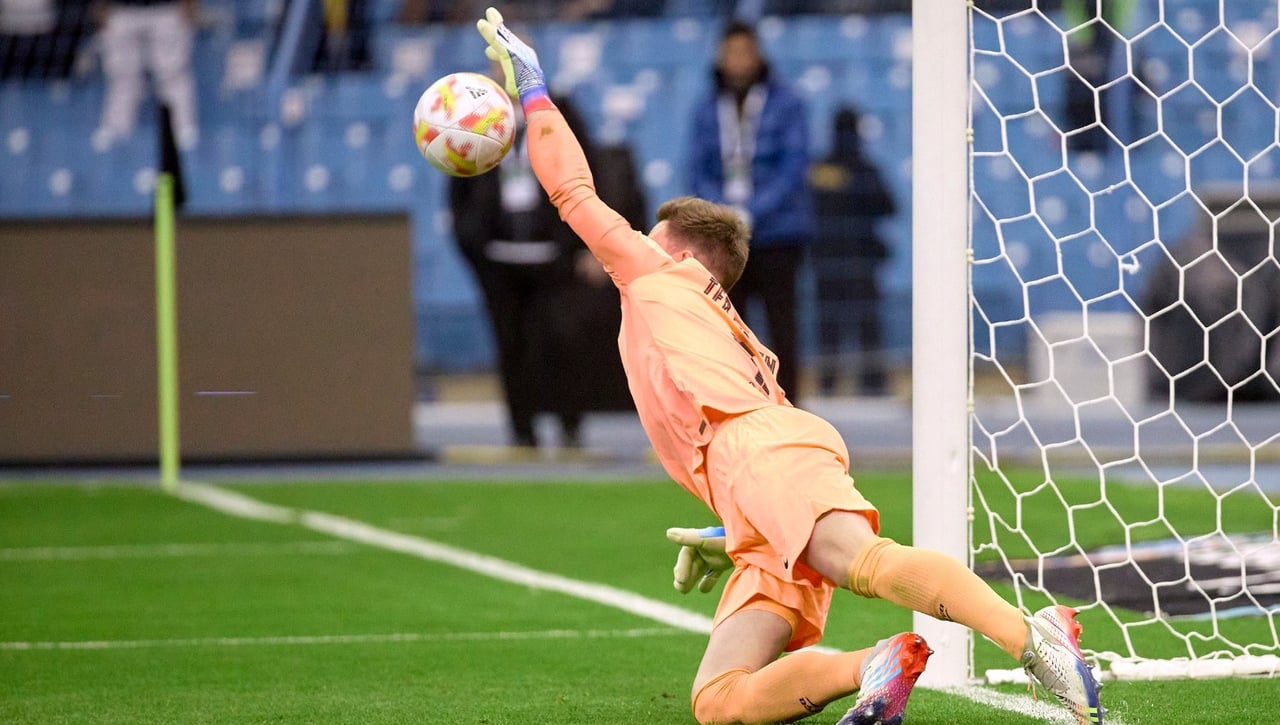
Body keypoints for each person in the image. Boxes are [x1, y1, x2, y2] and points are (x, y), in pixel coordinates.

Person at [476, 7, 1104, 725]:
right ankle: (871, 666)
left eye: (650, 236)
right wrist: (731, 528)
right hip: (760, 478)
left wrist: (533, 91)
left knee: (868, 562)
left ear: (679, 252)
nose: (632, 248)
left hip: (761, 455)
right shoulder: (726, 328)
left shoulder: (658, 275)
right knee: (718, 701)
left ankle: (1032, 638)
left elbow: (571, 191)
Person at [448, 74, 597, 450]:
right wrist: (474, 244)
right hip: (498, 257)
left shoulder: (556, 111)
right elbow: (458, 179)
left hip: (552, 254)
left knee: (561, 342)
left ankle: (570, 426)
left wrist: (584, 242)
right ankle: (522, 430)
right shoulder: (475, 114)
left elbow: (585, 167)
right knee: (510, 344)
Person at [686, 20, 814, 404]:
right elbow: (696, 168)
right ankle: (739, 406)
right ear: (720, 59)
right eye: (732, 53)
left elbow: (794, 166)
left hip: (778, 235)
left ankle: (789, 411)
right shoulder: (707, 108)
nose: (739, 61)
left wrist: (754, 212)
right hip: (726, 241)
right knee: (729, 331)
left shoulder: (787, 103)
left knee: (782, 328)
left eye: (746, 52)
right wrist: (725, 216)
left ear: (758, 55)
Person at [808, 106, 895, 397]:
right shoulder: (863, 169)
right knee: (844, 324)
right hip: (849, 260)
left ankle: (837, 383)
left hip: (842, 260)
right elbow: (888, 206)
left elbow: (889, 206)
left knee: (841, 325)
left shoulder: (823, 170)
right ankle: (864, 383)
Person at [94, 0, 199, 151]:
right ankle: (116, 128)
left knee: (173, 73)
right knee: (121, 75)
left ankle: (182, 127)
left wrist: (190, 5)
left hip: (167, 9)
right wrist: (102, 8)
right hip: (121, 10)